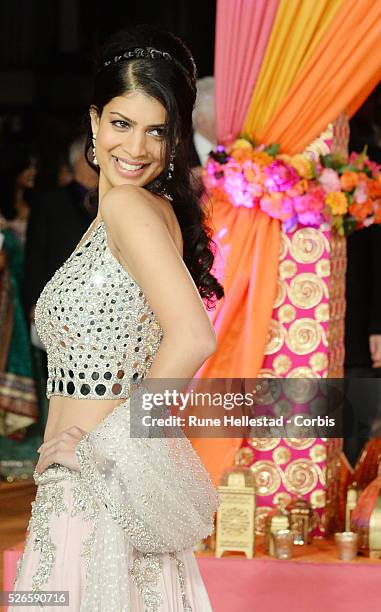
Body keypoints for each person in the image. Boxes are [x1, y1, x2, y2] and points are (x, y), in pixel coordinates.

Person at [11, 25, 224, 611]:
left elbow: (192, 336)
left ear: (176, 136)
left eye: (158, 131)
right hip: (99, 486)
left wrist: (103, 450)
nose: (137, 148)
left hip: (96, 489)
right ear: (95, 120)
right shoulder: (135, 210)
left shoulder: (130, 206)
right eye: (122, 124)